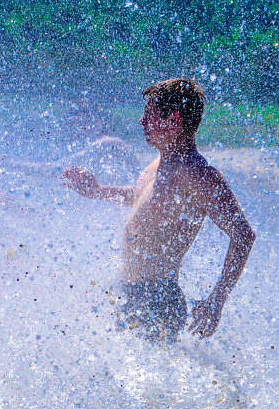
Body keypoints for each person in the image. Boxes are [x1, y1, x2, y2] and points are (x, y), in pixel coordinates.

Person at [62, 79, 255, 341]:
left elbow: (243, 234)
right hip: (129, 291)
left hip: (157, 299)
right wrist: (98, 191)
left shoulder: (196, 173)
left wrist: (216, 301)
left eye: (149, 115)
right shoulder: (159, 163)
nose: (141, 121)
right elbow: (140, 198)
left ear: (174, 121)